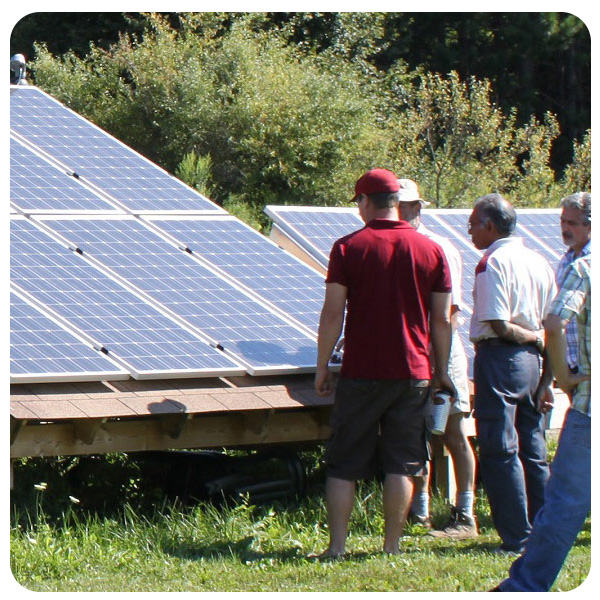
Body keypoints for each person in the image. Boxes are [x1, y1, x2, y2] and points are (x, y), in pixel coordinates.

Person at [313, 168, 455, 557]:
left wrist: (322, 365)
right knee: (403, 461)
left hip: (362, 370)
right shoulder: (432, 250)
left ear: (365, 202)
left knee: (344, 462)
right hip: (414, 373)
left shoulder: (348, 248)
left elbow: (333, 311)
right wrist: (441, 372)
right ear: (396, 202)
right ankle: (391, 547)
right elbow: (442, 319)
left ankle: (337, 547)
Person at [493, 253, 591, 591]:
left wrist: (562, 376)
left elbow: (553, 322)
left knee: (564, 504)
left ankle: (524, 588)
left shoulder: (586, 268)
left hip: (590, 409)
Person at [468, 193, 557, 554]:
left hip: (501, 359)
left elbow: (498, 324)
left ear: (490, 226)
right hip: (534, 365)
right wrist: (548, 378)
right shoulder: (539, 261)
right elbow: (554, 325)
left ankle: (516, 536)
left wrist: (531, 338)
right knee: (533, 447)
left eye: (473, 223)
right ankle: (545, 527)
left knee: (500, 448)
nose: (470, 230)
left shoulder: (492, 263)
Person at [396, 179, 478, 539]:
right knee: (416, 436)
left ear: (417, 208)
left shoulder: (440, 247)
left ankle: (465, 513)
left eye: (407, 206)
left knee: (455, 432)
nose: (401, 212)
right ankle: (420, 512)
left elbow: (449, 313)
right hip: (410, 353)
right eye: (396, 205)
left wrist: (439, 363)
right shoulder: (394, 246)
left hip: (443, 353)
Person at [555, 192, 591, 374]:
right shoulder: (565, 261)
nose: (565, 228)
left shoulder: (591, 263)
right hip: (573, 365)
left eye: (572, 223)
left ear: (590, 226)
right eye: (563, 221)